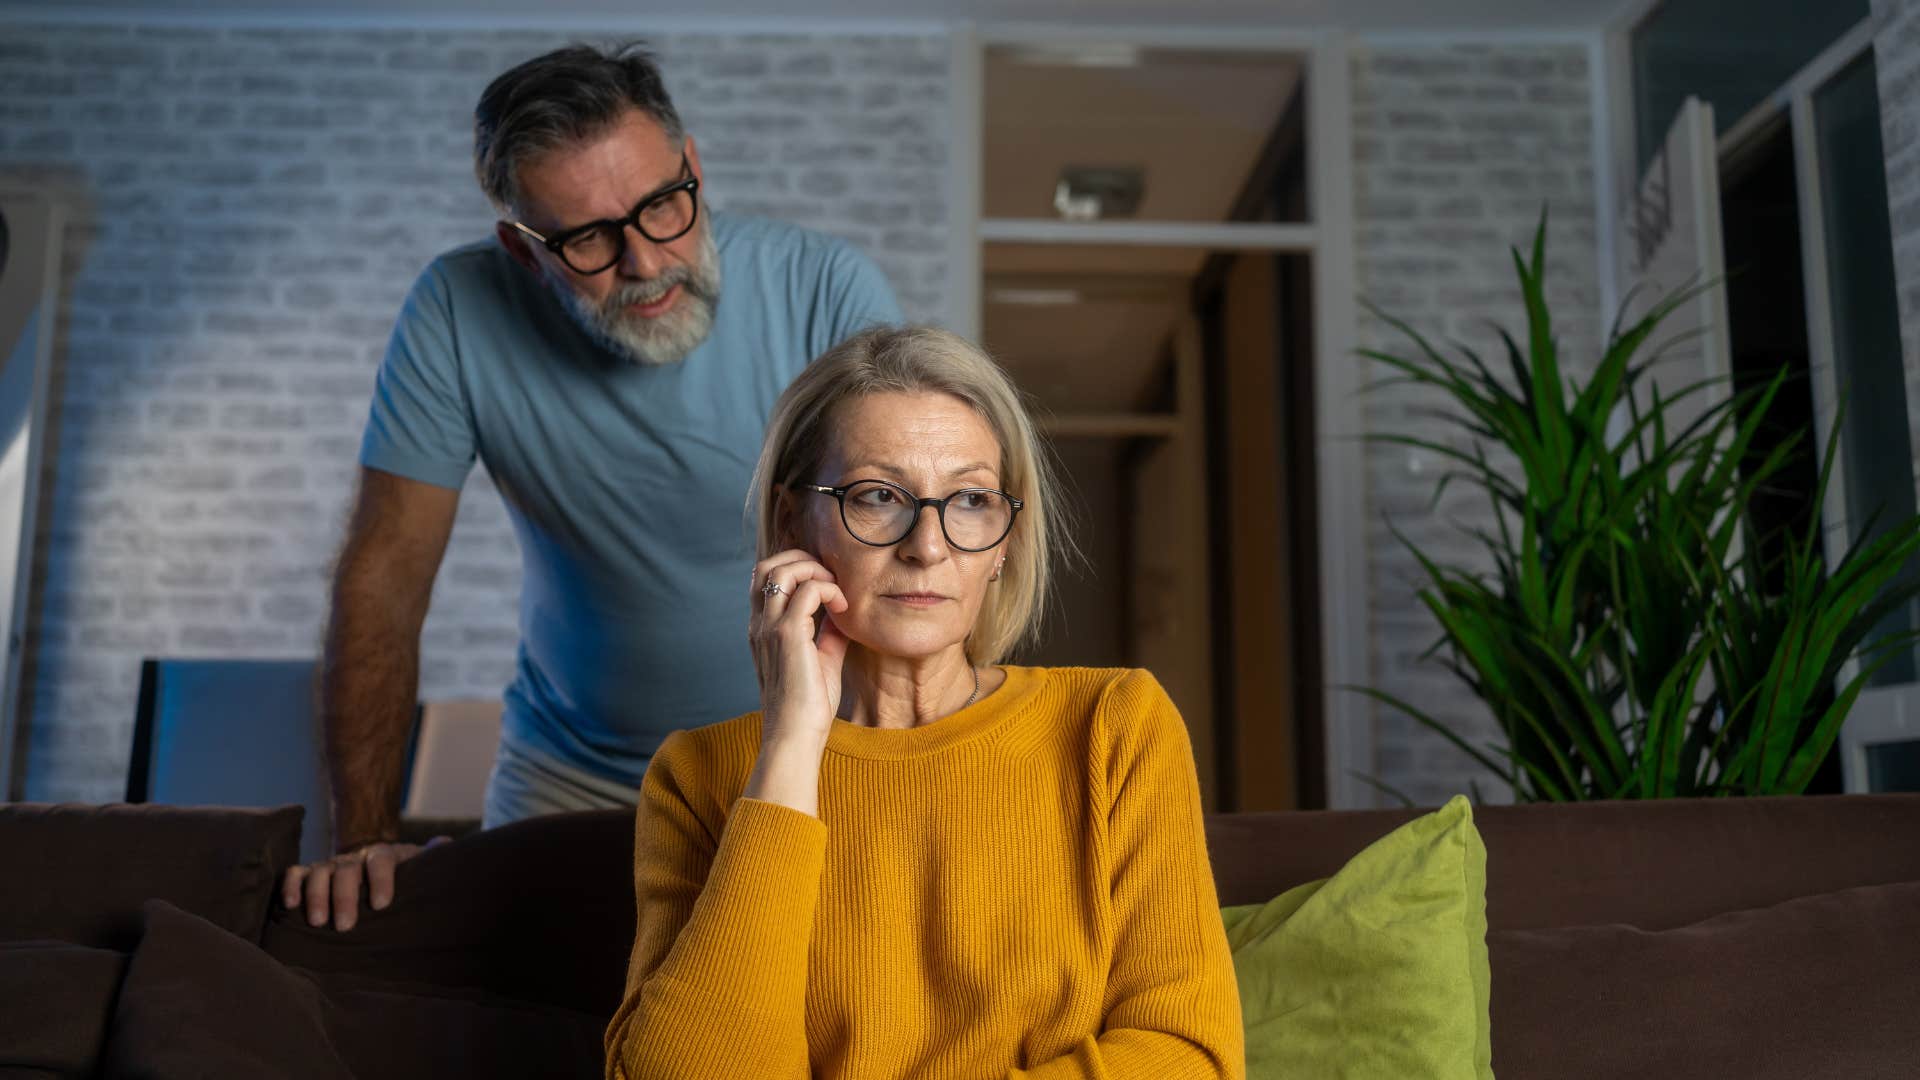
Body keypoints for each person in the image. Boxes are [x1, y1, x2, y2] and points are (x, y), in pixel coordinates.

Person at [281, 42, 902, 931]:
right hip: (567, 769)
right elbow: (385, 577)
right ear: (524, 250)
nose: (645, 263)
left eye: (662, 207)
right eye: (586, 239)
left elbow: (911, 552)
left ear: (693, 168)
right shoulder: (457, 309)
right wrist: (361, 838)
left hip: (812, 752)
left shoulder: (827, 289)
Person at [604, 326, 1244, 1079]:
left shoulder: (1114, 725)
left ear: (1006, 537)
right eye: (879, 496)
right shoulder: (697, 774)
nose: (929, 546)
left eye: (970, 500)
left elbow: (1188, 1056)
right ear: (791, 522)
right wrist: (790, 746)